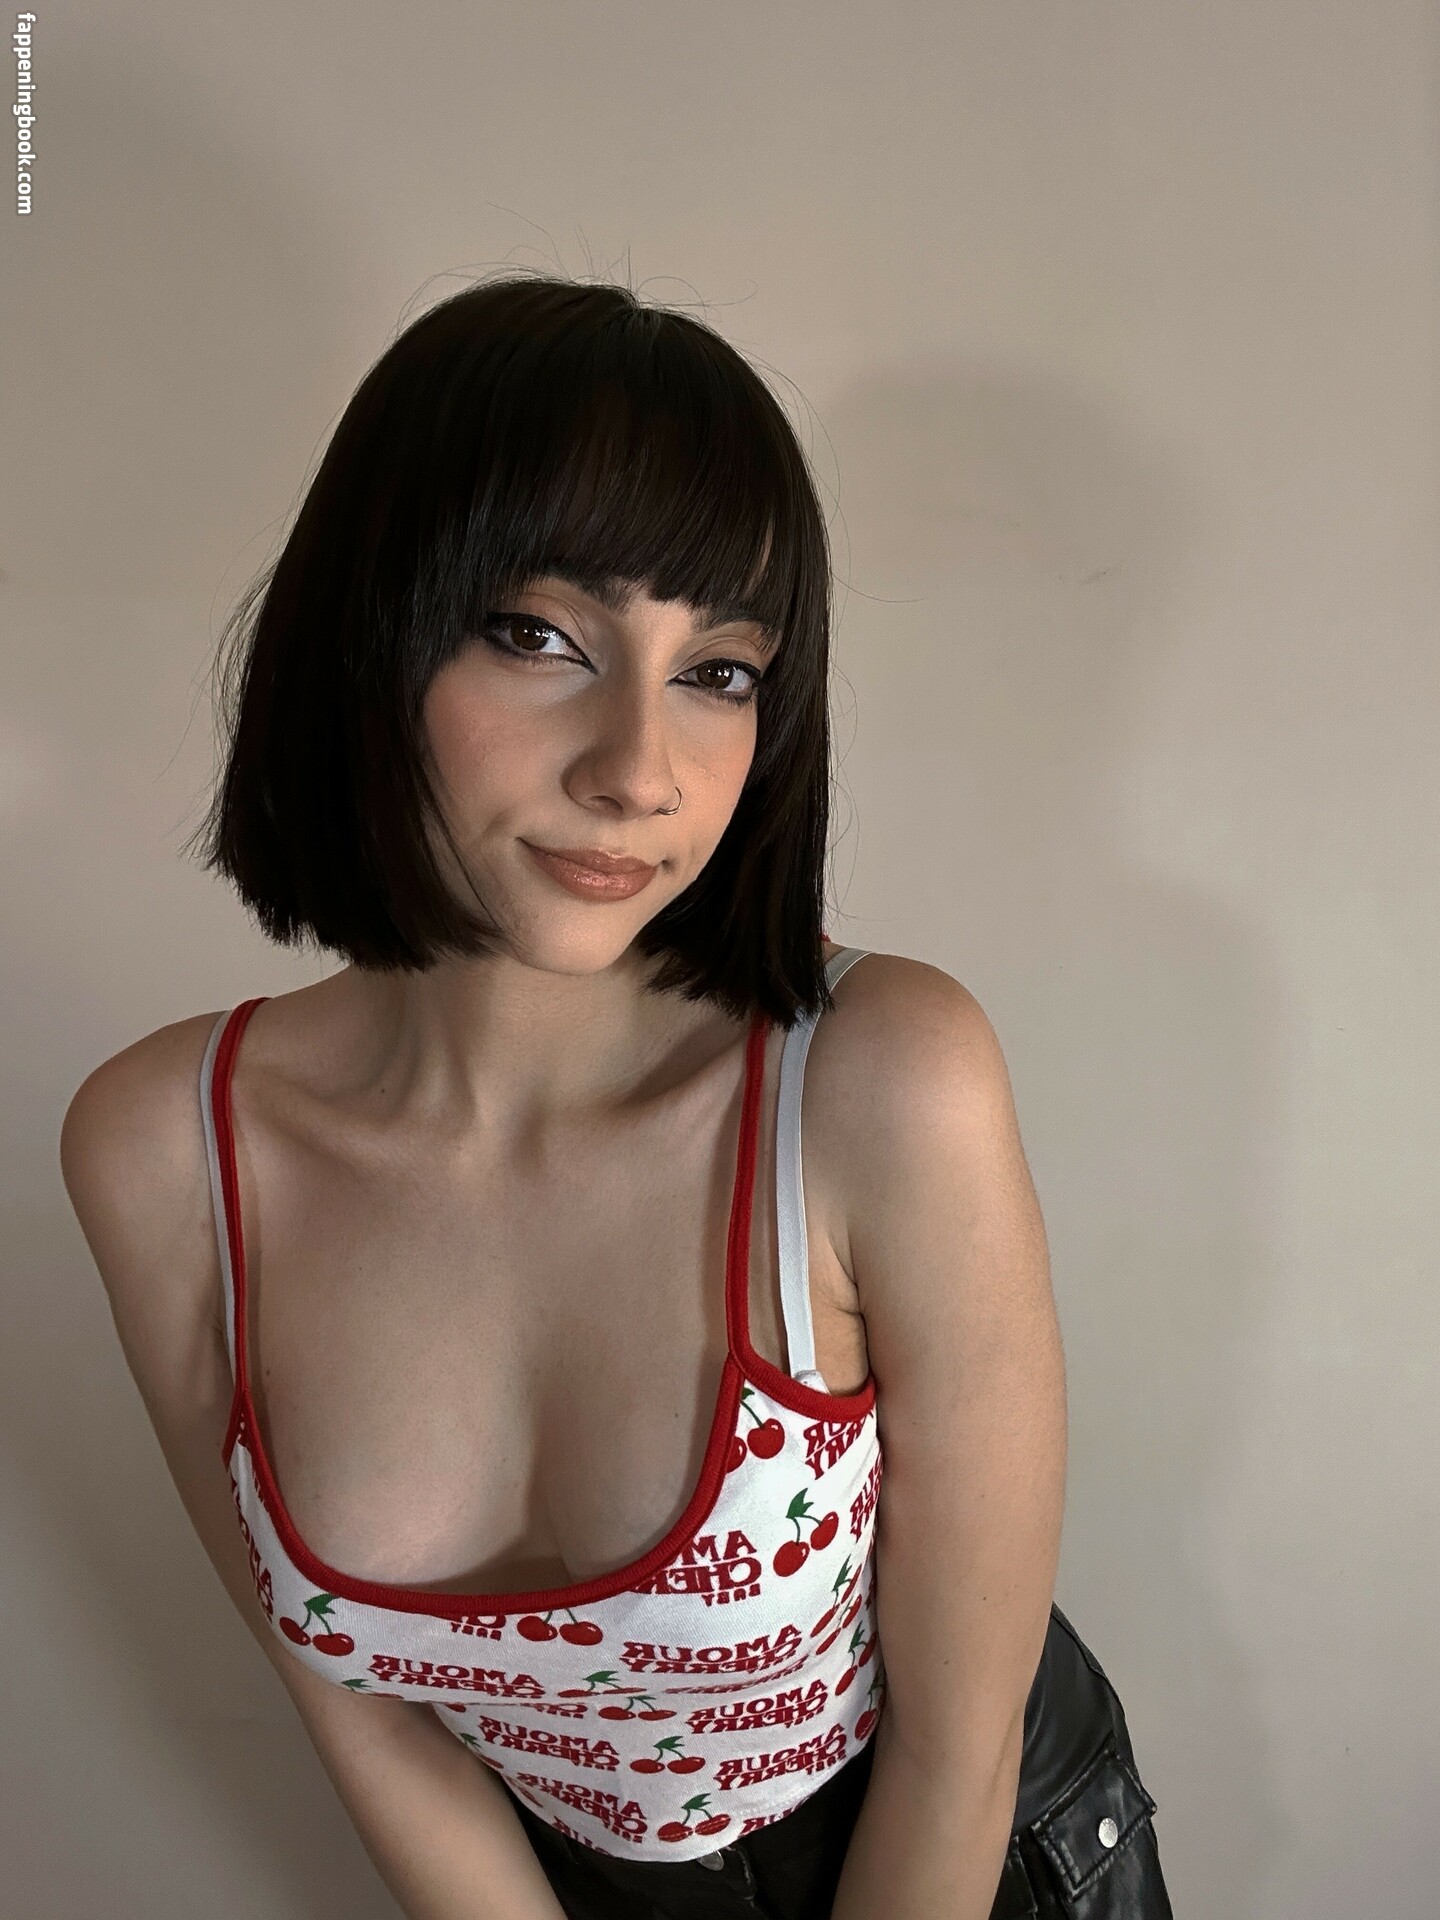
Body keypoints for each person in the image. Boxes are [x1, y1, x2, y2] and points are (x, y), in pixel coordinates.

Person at [59, 271, 1173, 1919]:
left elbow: (958, 1748)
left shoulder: (877, 1083)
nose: (638, 770)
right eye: (539, 636)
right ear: (370, 626)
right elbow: (360, 1718)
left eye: (719, 671)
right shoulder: (163, 1150)